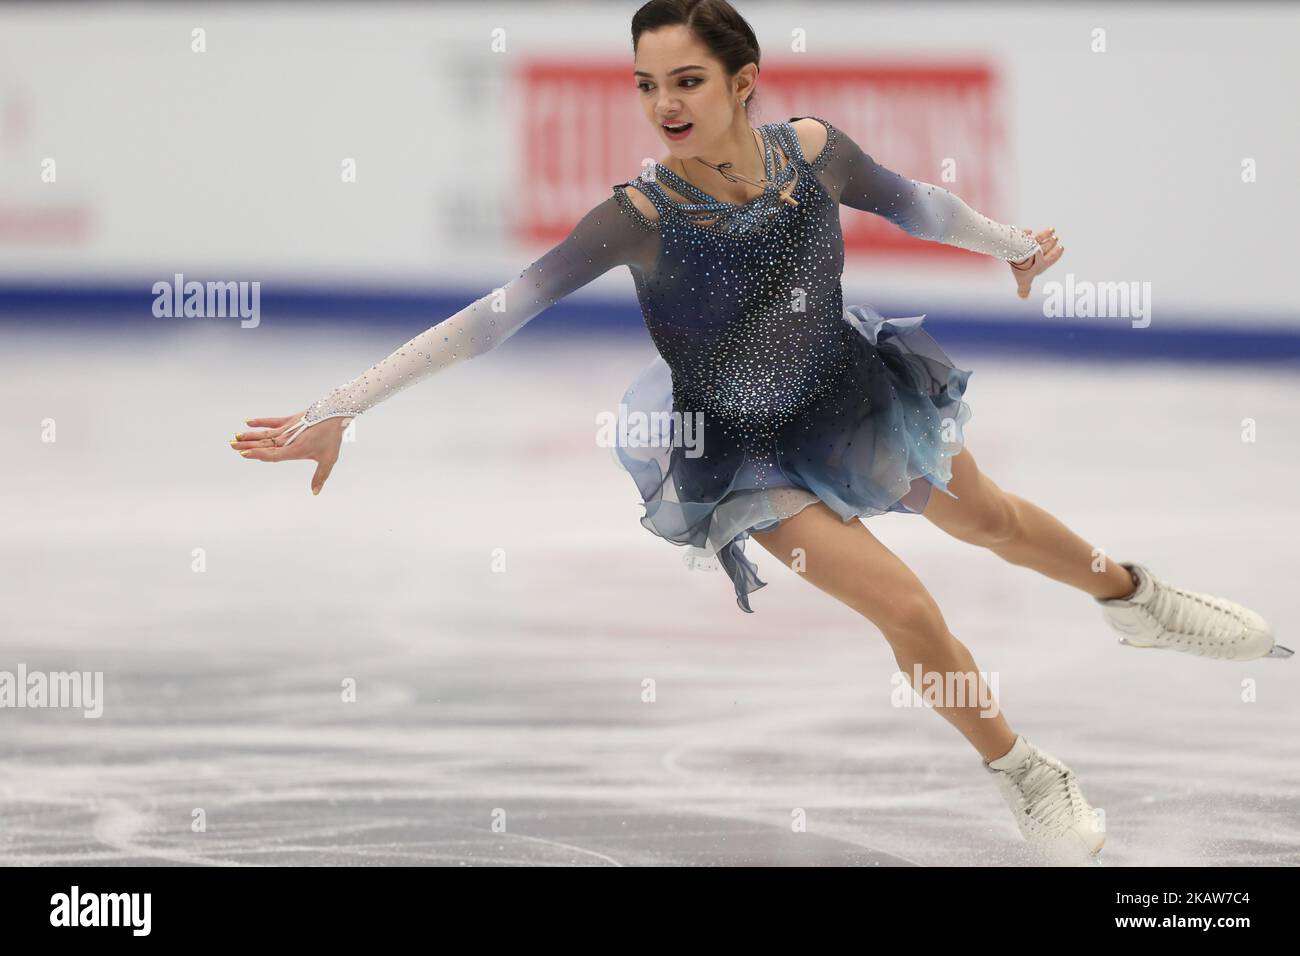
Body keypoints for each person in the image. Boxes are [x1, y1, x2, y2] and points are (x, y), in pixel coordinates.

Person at [229, 0, 1288, 863]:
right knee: (909, 607)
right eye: (646, 84)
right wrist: (338, 410)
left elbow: (919, 206)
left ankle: (1135, 597)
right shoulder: (634, 216)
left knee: (997, 519)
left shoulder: (814, 152)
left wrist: (1012, 245)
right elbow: (492, 317)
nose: (663, 103)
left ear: (743, 82)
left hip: (851, 395)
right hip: (742, 455)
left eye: (684, 79)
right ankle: (1023, 769)